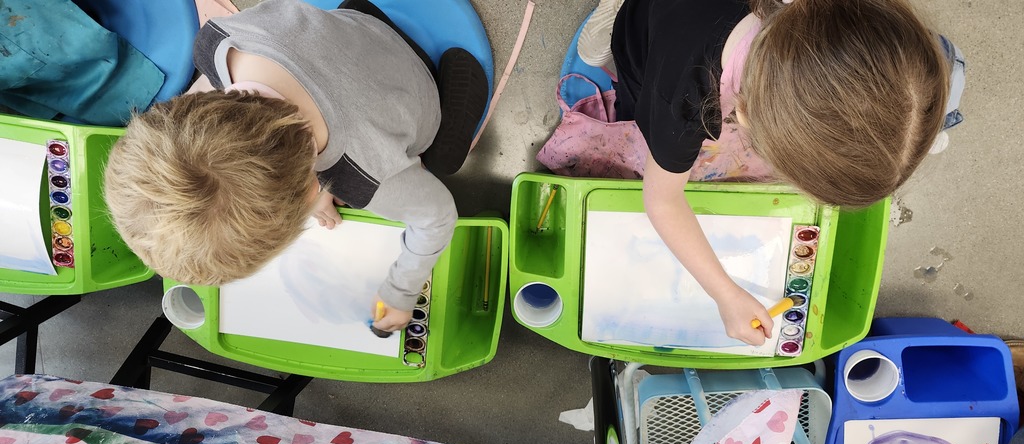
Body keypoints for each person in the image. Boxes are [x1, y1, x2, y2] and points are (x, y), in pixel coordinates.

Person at [578, 0, 952, 346]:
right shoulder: (679, 107)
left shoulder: (832, 17)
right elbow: (662, 200)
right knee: (608, 58)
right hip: (645, 26)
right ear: (741, 116)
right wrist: (725, 294)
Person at [104, 0, 488, 334]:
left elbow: (437, 218)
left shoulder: (362, 177)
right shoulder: (217, 43)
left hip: (417, 79)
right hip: (351, 25)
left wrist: (400, 293)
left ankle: (462, 77)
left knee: (443, 159)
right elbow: (203, 116)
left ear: (312, 189)